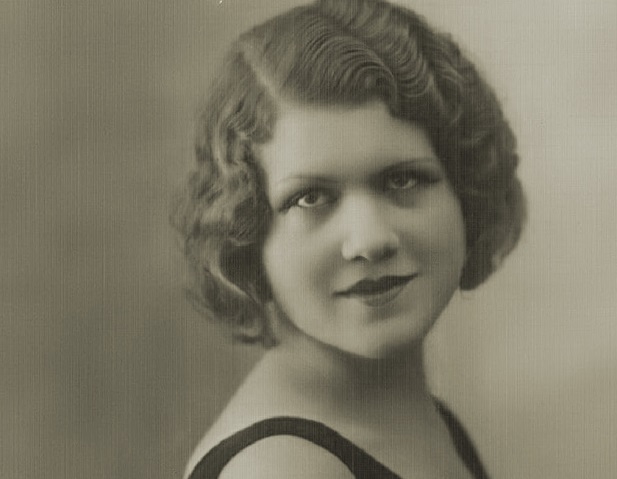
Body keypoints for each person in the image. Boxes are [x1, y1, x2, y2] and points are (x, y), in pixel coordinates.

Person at [174, 0, 524, 477]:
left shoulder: (414, 416)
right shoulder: (282, 469)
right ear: (247, 235)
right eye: (310, 198)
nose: (370, 240)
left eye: (402, 180)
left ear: (466, 194)